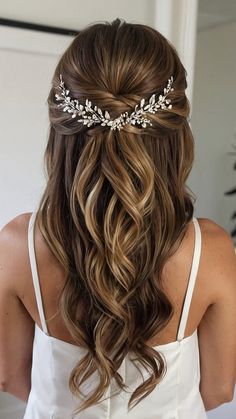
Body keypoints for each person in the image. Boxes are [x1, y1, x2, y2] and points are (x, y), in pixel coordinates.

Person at [0, 17, 236, 419]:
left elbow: (11, 377)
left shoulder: (18, 243)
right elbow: (218, 389)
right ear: (176, 133)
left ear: (62, 131)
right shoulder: (209, 250)